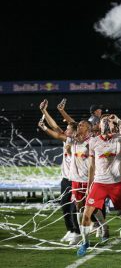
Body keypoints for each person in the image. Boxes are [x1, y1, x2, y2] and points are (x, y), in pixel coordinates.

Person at [77, 114, 121, 256]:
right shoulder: (94, 141)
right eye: (103, 121)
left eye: (108, 122)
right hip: (99, 183)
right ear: (99, 125)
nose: (105, 124)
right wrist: (88, 187)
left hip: (117, 184)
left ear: (113, 125)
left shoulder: (120, 138)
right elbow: (92, 167)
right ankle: (85, 242)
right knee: (86, 215)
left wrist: (118, 120)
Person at [38, 100, 78, 244]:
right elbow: (54, 126)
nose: (65, 130)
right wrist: (44, 111)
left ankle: (78, 232)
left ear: (74, 132)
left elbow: (55, 132)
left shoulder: (78, 142)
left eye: (68, 128)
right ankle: (70, 230)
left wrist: (44, 128)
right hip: (66, 178)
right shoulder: (67, 140)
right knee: (64, 204)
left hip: (76, 179)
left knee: (74, 206)